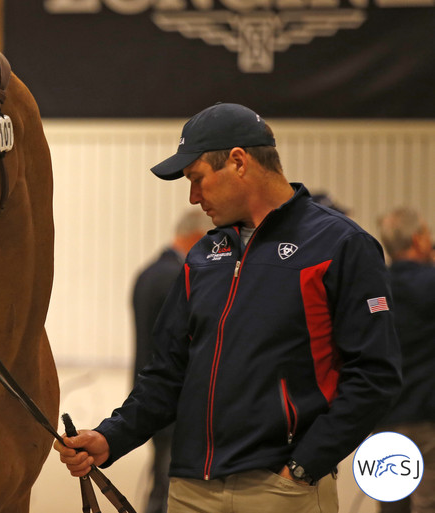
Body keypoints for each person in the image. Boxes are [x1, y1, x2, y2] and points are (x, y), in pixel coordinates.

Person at [54, 102, 402, 513]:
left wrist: (303, 467)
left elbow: (376, 377)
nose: (192, 196)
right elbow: (167, 373)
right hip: (189, 489)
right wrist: (111, 436)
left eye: (196, 179)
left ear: (238, 162)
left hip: (280, 491)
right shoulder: (204, 255)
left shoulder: (340, 246)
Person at [132, 210, 212, 513]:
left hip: (151, 394)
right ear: (197, 237)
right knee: (169, 490)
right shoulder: (174, 277)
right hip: (171, 400)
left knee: (161, 484)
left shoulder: (149, 271)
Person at [377, 207, 435, 513]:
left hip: (385, 416)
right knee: (428, 503)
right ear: (418, 238)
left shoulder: (374, 287)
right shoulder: (431, 282)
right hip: (427, 417)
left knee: (391, 504)